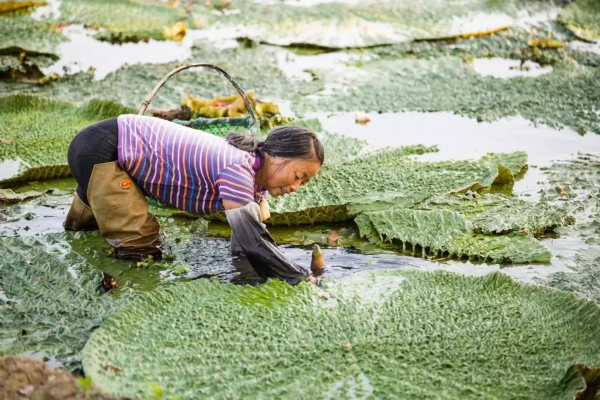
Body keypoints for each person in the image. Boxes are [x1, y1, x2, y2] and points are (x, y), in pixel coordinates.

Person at [64, 114, 324, 284]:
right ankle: (117, 292)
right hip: (102, 149)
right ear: (276, 157)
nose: (297, 187)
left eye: (304, 182)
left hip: (102, 143)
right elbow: (252, 241)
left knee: (82, 231)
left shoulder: (252, 173)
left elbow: (245, 244)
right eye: (299, 175)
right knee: (140, 245)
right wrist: (298, 277)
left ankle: (76, 241)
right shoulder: (238, 170)